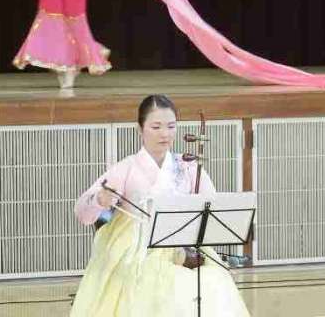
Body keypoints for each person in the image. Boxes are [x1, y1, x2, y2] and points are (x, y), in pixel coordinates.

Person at [70, 94, 251, 316]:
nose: (165, 134)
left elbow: (211, 206)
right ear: (140, 128)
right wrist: (100, 200)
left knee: (212, 281)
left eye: (171, 126)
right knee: (153, 284)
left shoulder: (188, 166)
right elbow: (83, 213)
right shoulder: (127, 168)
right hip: (138, 250)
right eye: (156, 127)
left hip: (184, 246)